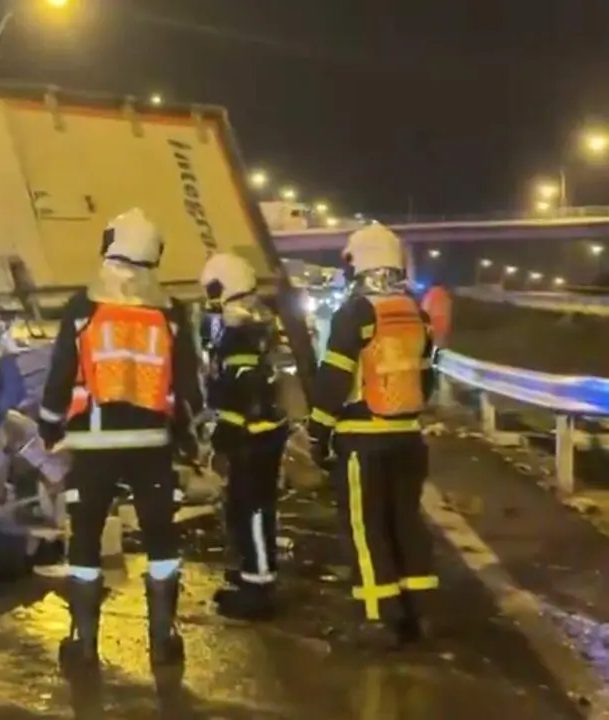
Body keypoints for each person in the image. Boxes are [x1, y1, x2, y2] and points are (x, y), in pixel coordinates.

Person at [37, 207, 204, 671]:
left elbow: (59, 377)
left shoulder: (83, 307)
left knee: (86, 540)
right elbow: (188, 385)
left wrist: (49, 426)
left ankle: (83, 642)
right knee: (160, 539)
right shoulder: (171, 312)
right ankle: (164, 639)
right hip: (152, 446)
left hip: (92, 448)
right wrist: (190, 440)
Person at [306, 224, 438, 649]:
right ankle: (420, 612)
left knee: (366, 528)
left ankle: (378, 617)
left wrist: (318, 429)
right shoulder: (415, 313)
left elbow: (334, 376)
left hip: (364, 437)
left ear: (359, 263)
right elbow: (427, 375)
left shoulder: (357, 312)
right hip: (409, 437)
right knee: (406, 521)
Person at [199, 252, 288, 621]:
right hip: (265, 431)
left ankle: (259, 586)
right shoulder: (259, 318)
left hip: (253, 435)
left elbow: (239, 389)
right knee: (245, 505)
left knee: (252, 509)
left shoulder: (237, 328)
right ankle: (252, 568)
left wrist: (222, 436)